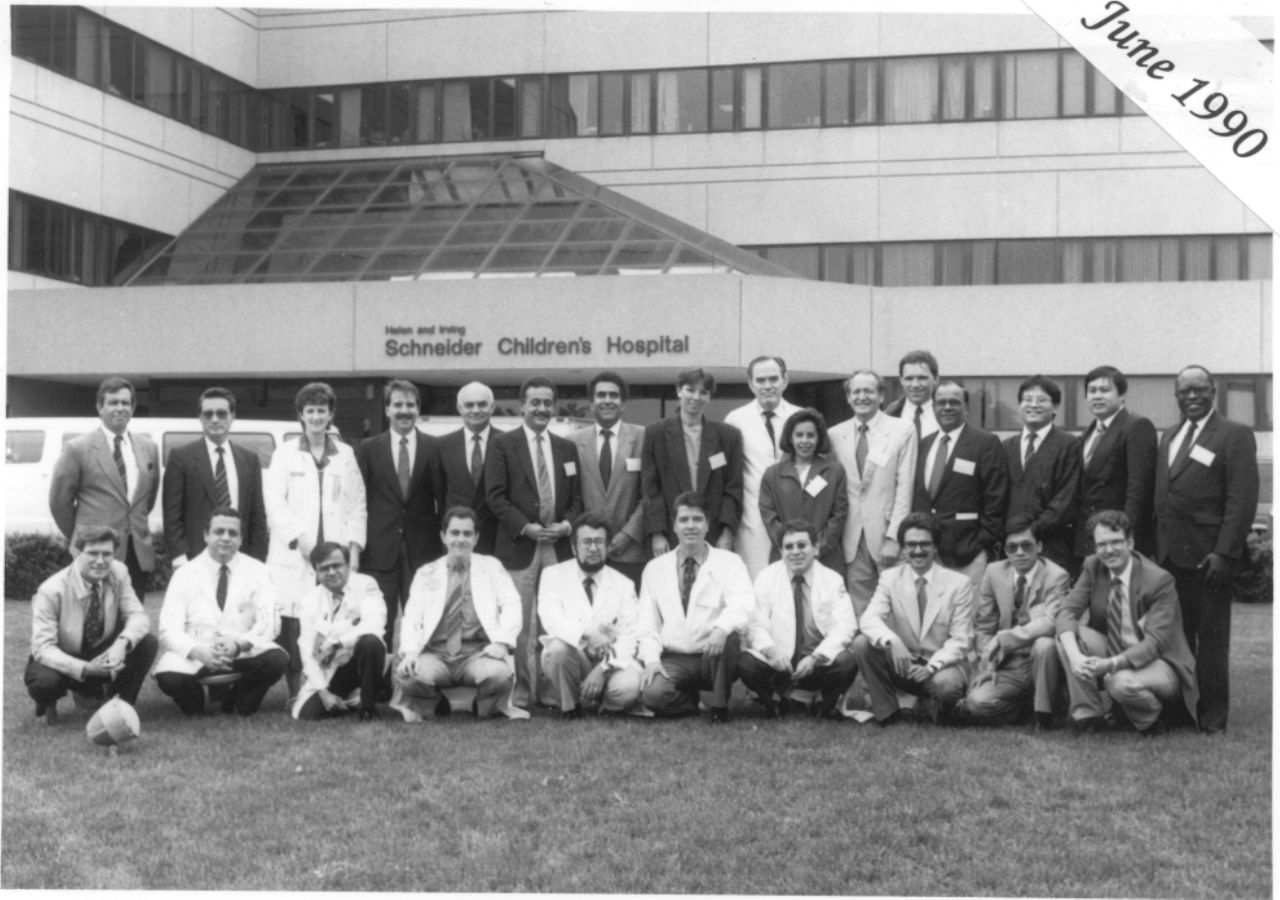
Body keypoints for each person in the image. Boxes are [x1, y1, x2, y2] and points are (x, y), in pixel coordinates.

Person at [1153, 365, 1259, 734]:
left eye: (1200, 389)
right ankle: (1177, 713)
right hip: (1169, 558)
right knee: (1174, 641)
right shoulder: (1169, 436)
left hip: (1209, 558)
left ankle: (1212, 718)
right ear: (1177, 396)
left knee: (1211, 643)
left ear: (1214, 390)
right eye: (1185, 391)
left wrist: (1225, 553)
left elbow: (1242, 500)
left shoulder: (1234, 434)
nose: (1192, 396)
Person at [264, 382, 368, 703]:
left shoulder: (345, 454)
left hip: (334, 555)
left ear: (331, 414)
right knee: (296, 624)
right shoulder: (284, 453)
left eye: (322, 410)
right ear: (301, 415)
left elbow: (357, 504)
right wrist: (300, 539)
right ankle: (298, 691)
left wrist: (353, 551)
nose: (316, 416)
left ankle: (332, 684)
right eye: (310, 411)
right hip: (296, 555)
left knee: (334, 621)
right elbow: (274, 502)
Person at [485, 375, 582, 709]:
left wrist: (567, 525)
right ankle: (522, 692)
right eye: (535, 402)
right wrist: (525, 527)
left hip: (557, 548)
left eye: (547, 402)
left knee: (555, 622)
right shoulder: (502, 445)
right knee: (520, 626)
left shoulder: (567, 448)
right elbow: (494, 496)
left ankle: (554, 692)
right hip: (519, 546)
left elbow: (577, 499)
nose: (542, 408)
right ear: (522, 405)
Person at [1056, 510, 1199, 736]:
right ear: (1094, 547)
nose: (1109, 550)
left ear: (1130, 542)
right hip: (1115, 651)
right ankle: (1089, 717)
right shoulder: (1093, 566)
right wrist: (1075, 657)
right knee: (1068, 635)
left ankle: (1152, 719)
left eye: (1116, 542)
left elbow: (1155, 643)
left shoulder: (1158, 580)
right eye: (1102, 544)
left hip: (1160, 663)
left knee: (1117, 682)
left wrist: (1110, 665)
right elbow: (1067, 611)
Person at [390, 506, 528, 721]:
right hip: (436, 654)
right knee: (407, 676)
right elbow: (413, 616)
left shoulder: (491, 567)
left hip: (477, 652)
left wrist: (501, 643)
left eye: (467, 533)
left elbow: (512, 604)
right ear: (443, 536)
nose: (461, 539)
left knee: (499, 676)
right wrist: (410, 652)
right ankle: (437, 704)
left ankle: (481, 707)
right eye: (455, 533)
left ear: (476, 538)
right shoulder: (426, 572)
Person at [154, 508, 287, 716]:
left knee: (276, 659)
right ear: (206, 535)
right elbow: (168, 629)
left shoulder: (259, 570)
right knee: (168, 676)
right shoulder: (184, 573)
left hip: (240, 650)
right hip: (198, 650)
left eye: (233, 533)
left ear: (241, 539)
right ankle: (195, 703)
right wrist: (199, 652)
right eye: (219, 532)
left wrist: (238, 645)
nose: (226, 538)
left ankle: (237, 702)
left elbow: (271, 623)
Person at [636, 492, 753, 723]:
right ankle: (689, 700)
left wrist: (721, 629)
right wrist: (651, 660)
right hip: (675, 656)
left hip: (713, 656)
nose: (691, 526)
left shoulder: (729, 562)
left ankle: (719, 707)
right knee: (653, 696)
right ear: (674, 526)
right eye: (684, 520)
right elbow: (647, 622)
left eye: (697, 519)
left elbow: (743, 602)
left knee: (729, 638)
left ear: (708, 525)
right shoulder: (654, 568)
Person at [25, 525, 159, 724]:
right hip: (64, 655)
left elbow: (138, 616)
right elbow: (43, 648)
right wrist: (87, 668)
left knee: (147, 643)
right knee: (44, 681)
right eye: (92, 553)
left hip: (101, 650)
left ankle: (119, 706)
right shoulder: (51, 590)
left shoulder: (119, 572)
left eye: (107, 554)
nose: (100, 561)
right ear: (78, 554)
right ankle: (47, 705)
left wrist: (120, 645)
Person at [852, 512, 973, 725]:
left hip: (941, 666)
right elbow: (869, 619)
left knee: (946, 685)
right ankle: (888, 713)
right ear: (904, 548)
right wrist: (893, 641)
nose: (918, 551)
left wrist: (932, 667)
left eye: (925, 544)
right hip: (906, 663)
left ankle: (940, 711)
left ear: (935, 547)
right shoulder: (890, 578)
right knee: (863, 643)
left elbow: (961, 640)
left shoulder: (959, 584)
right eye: (911, 545)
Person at [49, 376, 160, 597]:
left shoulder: (149, 448)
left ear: (133, 407)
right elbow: (59, 502)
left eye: (125, 403)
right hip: (94, 554)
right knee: (94, 622)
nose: (120, 408)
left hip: (136, 553)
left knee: (131, 619)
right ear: (100, 407)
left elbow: (148, 498)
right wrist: (85, 537)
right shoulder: (77, 449)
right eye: (113, 402)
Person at [356, 379, 445, 656]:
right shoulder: (368, 448)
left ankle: (419, 686)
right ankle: (379, 689)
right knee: (379, 622)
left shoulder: (434, 448)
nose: (404, 410)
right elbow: (359, 500)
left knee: (423, 621)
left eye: (410, 404)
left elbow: (442, 499)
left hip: (423, 550)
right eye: (398, 405)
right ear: (387, 410)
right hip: (380, 549)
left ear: (418, 409)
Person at [952, 521, 1068, 729]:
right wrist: (988, 666)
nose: (1020, 553)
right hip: (1007, 662)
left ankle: (1044, 713)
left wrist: (1004, 638)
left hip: (1040, 660)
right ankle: (1024, 707)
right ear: (1005, 550)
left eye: (1027, 545)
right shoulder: (994, 572)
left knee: (1045, 644)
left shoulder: (1057, 576)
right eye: (1012, 547)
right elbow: (984, 626)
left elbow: (1050, 622)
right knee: (977, 703)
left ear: (1039, 546)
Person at [738, 519, 856, 719]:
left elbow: (846, 627)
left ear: (816, 548)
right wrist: (772, 651)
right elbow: (755, 624)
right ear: (781, 551)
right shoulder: (767, 576)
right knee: (746, 663)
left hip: (816, 664)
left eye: (802, 545)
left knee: (847, 661)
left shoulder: (832, 579)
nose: (795, 552)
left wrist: (816, 657)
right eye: (788, 547)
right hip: (779, 664)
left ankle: (824, 705)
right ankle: (774, 701)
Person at [537, 513, 646, 717]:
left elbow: (630, 635)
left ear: (607, 546)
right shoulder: (553, 575)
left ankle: (597, 701)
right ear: (573, 547)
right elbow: (550, 618)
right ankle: (570, 707)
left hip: (610, 661)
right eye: (586, 542)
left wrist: (602, 670)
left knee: (627, 690)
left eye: (599, 542)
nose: (594, 548)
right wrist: (587, 634)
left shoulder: (624, 584)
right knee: (557, 649)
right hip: (573, 656)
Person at [828, 369, 917, 615]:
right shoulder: (835, 434)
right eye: (856, 391)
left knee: (898, 605)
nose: (862, 396)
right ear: (848, 397)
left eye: (869, 390)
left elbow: (905, 487)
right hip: (851, 537)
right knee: (859, 608)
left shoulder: (903, 430)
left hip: (887, 535)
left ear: (881, 396)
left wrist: (894, 537)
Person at [912, 381, 1009, 591]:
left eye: (953, 402)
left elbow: (996, 497)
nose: (947, 407)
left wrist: (981, 544)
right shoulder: (923, 445)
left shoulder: (985, 443)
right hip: (927, 552)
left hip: (968, 553)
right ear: (933, 408)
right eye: (941, 403)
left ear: (966, 407)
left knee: (968, 618)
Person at [641, 368, 744, 555]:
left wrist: (727, 532)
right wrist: (657, 533)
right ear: (679, 391)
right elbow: (651, 489)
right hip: (671, 534)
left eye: (703, 392)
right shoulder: (655, 434)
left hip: (715, 535)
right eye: (690, 390)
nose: (696, 397)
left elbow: (733, 489)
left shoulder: (728, 436)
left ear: (709, 397)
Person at [163, 386, 269, 566]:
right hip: (196, 558)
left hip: (241, 558)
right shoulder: (181, 458)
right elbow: (172, 516)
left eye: (221, 414)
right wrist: (179, 558)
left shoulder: (249, 460)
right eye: (208, 414)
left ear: (232, 417)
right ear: (200, 418)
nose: (214, 419)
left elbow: (257, 514)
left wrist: (257, 559)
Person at [724, 356, 802, 580]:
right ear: (750, 384)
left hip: (794, 514)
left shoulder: (801, 416)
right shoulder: (735, 420)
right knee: (756, 583)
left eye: (773, 379)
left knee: (793, 581)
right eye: (760, 380)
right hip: (752, 519)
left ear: (785, 380)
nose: (767, 386)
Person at [292, 542, 387, 721]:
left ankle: (368, 708)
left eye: (336, 566)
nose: (331, 572)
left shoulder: (366, 584)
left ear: (348, 565)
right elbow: (307, 653)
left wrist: (338, 643)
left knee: (370, 642)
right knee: (306, 713)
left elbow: (375, 623)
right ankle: (351, 698)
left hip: (360, 660)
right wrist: (323, 692)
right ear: (316, 573)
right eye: (324, 569)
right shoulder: (309, 602)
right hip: (333, 668)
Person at [570, 372, 647, 589]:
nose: (607, 400)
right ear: (592, 403)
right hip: (588, 551)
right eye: (601, 395)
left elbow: (650, 494)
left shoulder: (643, 437)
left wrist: (627, 535)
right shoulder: (573, 443)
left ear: (623, 404)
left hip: (630, 551)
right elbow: (571, 496)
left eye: (614, 395)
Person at [1074, 365, 1157, 560]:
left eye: (1105, 390)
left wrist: (1128, 534)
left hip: (1117, 535)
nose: (1097, 396)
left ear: (1122, 395)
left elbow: (1139, 488)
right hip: (1090, 533)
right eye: (1092, 391)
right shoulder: (1090, 431)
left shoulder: (1136, 426)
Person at [1002, 375, 1080, 572]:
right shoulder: (1005, 447)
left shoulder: (1069, 445)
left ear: (1055, 407)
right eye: (1027, 399)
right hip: (1009, 547)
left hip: (1051, 547)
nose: (1033, 405)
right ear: (1019, 405)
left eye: (1042, 400)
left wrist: (1031, 533)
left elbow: (1065, 500)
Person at [758, 408, 848, 576]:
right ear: (790, 438)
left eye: (811, 435)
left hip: (825, 557)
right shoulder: (772, 474)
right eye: (799, 435)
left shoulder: (835, 471)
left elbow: (839, 514)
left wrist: (816, 548)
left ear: (819, 438)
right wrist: (793, 548)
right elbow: (769, 516)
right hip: (785, 557)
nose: (805, 441)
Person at [439, 381, 502, 555]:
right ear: (459, 408)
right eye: (469, 405)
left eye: (482, 404)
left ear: (492, 407)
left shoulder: (508, 443)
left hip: (496, 540)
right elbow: (438, 494)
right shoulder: (442, 446)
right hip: (456, 540)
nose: (475, 410)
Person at [883, 350, 940, 442]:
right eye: (909, 379)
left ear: (936, 380)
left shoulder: (947, 413)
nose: (915, 385)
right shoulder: (888, 415)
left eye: (922, 378)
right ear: (901, 381)